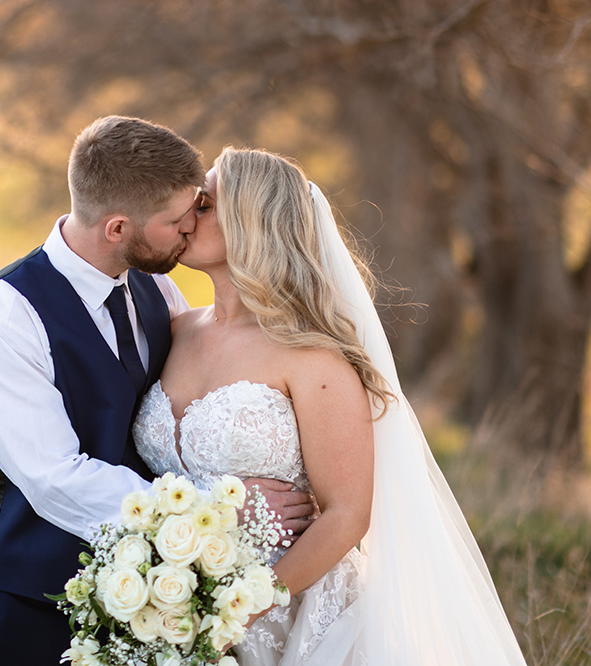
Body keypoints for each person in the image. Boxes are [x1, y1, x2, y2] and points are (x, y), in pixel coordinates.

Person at [133, 147, 530, 665]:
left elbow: (346, 515)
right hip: (169, 607)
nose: (186, 214)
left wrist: (237, 609)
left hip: (290, 613)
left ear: (252, 223)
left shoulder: (311, 355)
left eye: (204, 204)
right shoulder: (174, 330)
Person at [0, 118, 316, 666]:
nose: (193, 226)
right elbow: (54, 478)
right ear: (117, 228)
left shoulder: (158, 290)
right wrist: (221, 507)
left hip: (155, 607)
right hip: (25, 609)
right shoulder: (3, 318)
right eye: (176, 219)